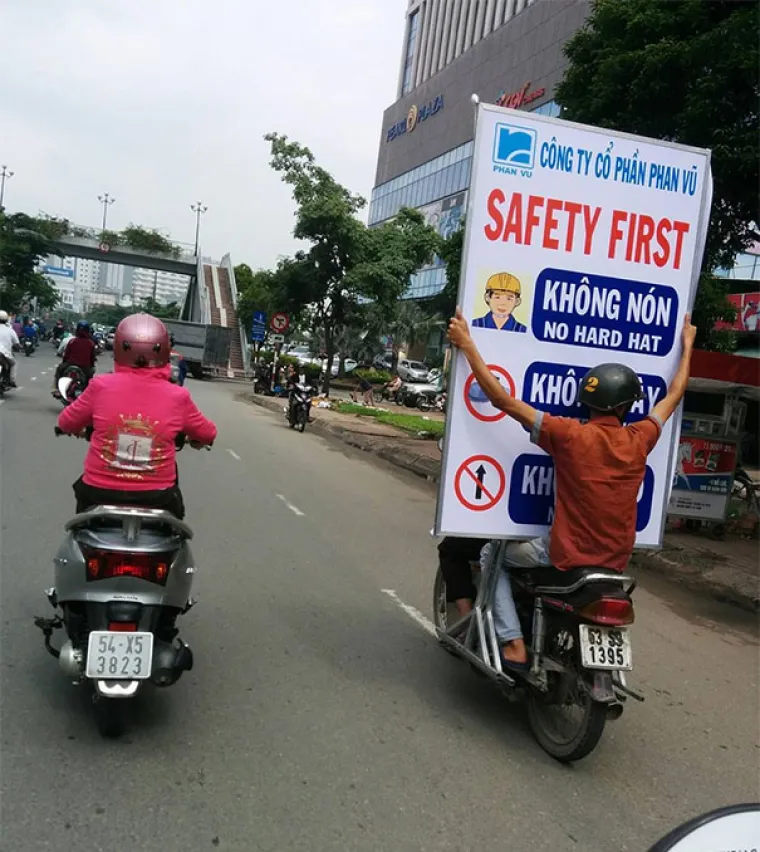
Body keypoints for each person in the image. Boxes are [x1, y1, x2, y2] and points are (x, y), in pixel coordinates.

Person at [447, 308, 697, 670]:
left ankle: (513, 643)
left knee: (490, 555)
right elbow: (675, 393)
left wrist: (468, 345)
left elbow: (502, 400)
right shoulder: (640, 437)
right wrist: (687, 345)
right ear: (626, 406)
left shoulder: (568, 435)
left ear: (586, 401)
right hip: (614, 562)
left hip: (562, 555)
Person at [57, 313, 217, 519]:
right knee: (177, 528)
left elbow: (65, 422)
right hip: (158, 496)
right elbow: (208, 433)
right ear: (164, 350)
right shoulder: (178, 396)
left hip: (98, 493)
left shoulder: (100, 386)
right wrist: (197, 440)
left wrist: (76, 428)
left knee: (81, 525)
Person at [53, 320, 97, 394]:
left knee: (59, 370)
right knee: (90, 377)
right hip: (85, 367)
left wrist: (64, 362)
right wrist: (91, 366)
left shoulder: (72, 341)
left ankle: (58, 389)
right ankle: (86, 393)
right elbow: (92, 358)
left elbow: (66, 355)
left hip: (70, 364)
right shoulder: (91, 343)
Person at [0, 310, 20, 387]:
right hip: (5, 353)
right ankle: (12, 381)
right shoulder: (10, 330)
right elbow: (17, 343)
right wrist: (19, 347)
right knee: (14, 364)